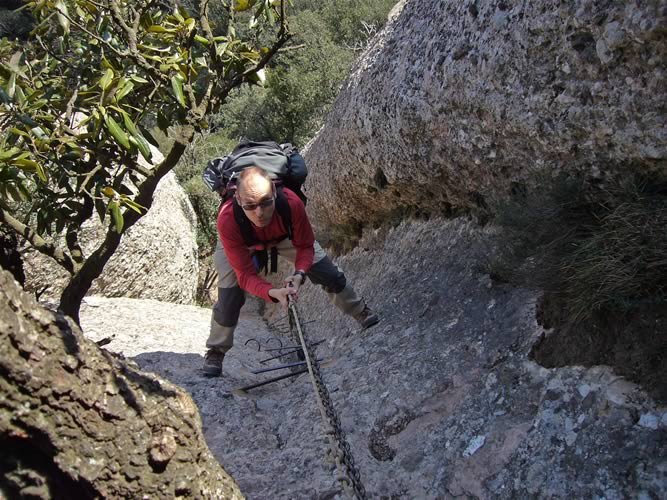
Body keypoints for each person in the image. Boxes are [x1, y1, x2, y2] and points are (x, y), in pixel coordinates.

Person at [203, 166, 379, 376]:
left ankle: (360, 310)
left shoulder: (291, 203)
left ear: (275, 193)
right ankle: (216, 350)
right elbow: (245, 275)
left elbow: (305, 246)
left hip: (281, 235)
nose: (259, 213)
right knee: (229, 294)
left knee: (327, 271)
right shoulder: (228, 218)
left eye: (266, 202)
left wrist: (300, 274)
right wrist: (272, 293)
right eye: (250, 205)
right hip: (243, 241)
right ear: (238, 201)